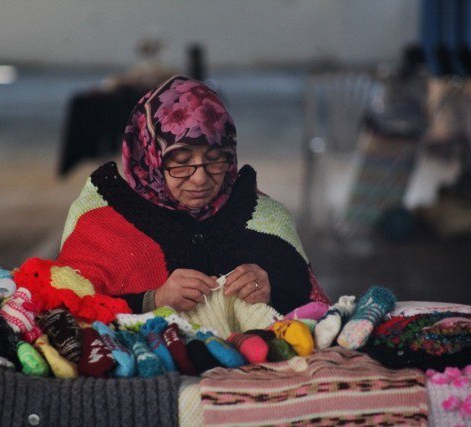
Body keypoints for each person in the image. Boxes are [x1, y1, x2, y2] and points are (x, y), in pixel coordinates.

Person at [57, 75, 329, 315]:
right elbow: (62, 308)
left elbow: (317, 310)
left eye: (215, 159)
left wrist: (273, 293)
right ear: (149, 157)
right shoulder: (103, 218)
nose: (200, 178)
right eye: (181, 161)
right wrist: (152, 301)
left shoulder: (264, 217)